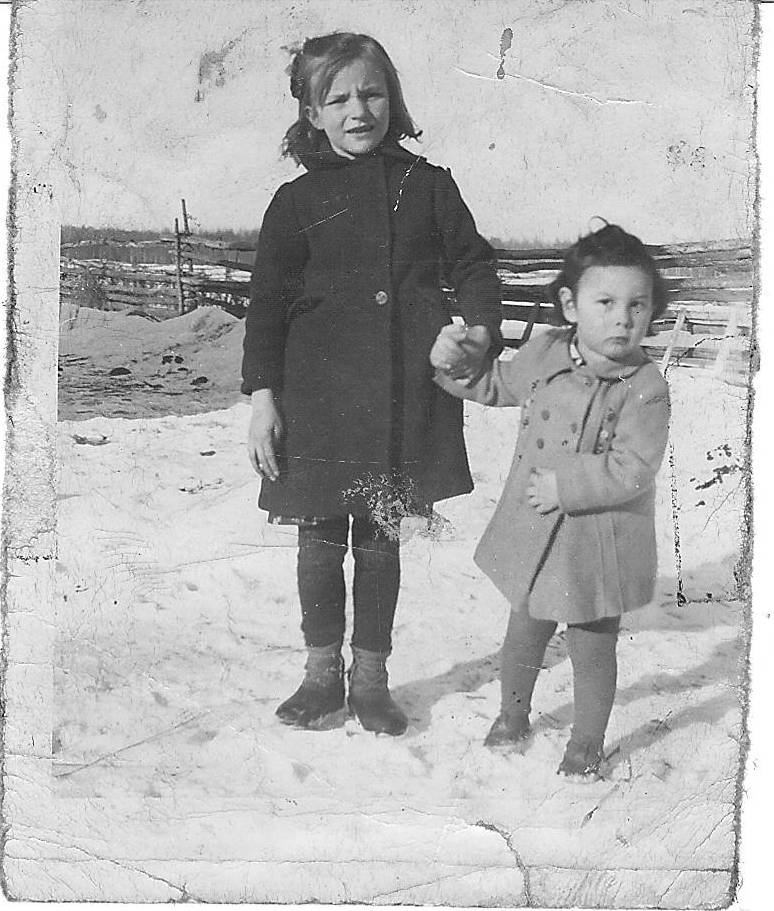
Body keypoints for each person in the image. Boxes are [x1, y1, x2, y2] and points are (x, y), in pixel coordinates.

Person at [242, 32, 502, 736]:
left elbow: (475, 267)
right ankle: (320, 674)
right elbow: (265, 307)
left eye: (373, 92)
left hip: (400, 399)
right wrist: (263, 398)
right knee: (320, 544)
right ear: (313, 112)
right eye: (340, 97)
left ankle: (374, 679)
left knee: (380, 543)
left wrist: (478, 329)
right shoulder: (295, 203)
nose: (360, 109)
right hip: (317, 404)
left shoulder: (429, 186)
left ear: (394, 98)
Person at [430, 224, 671, 777]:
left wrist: (567, 483)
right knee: (523, 635)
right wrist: (455, 366)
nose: (622, 318)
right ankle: (512, 716)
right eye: (605, 302)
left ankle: (586, 743)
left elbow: (634, 467)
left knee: (591, 648)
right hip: (536, 533)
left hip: (597, 544)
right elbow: (497, 385)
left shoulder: (645, 386)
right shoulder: (545, 353)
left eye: (638, 305)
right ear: (570, 304)